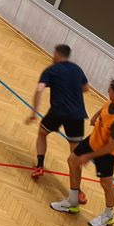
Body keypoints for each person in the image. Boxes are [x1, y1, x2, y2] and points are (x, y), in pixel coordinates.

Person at [50, 79, 114, 226]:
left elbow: (110, 147)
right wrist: (96, 117)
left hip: (107, 152)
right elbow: (106, 106)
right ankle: (72, 202)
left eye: (109, 90)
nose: (107, 92)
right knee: (72, 160)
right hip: (95, 139)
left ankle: (108, 215)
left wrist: (88, 156)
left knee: (106, 184)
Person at [25, 44, 89, 204]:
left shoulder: (51, 70)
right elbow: (86, 88)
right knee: (75, 156)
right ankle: (78, 191)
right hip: (77, 115)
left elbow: (39, 90)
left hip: (58, 112)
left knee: (42, 133)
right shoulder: (77, 69)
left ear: (56, 54)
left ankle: (39, 165)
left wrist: (34, 112)